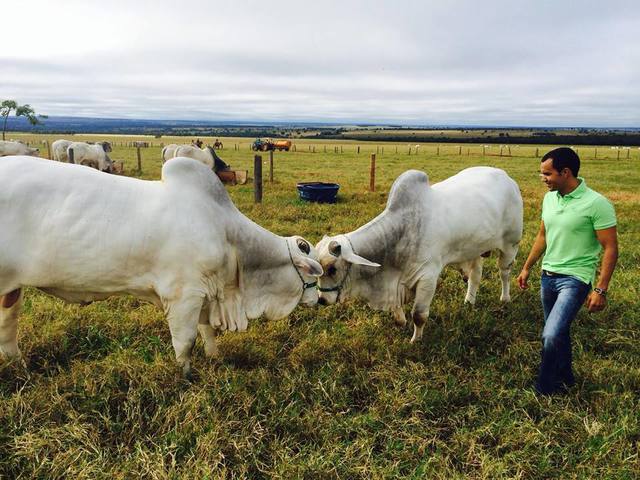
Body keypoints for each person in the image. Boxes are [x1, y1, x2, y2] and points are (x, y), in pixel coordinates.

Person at [517, 147, 618, 395]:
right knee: (559, 331)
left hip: (575, 279)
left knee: (550, 335)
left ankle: (544, 387)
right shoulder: (549, 198)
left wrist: (600, 289)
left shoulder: (597, 204)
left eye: (547, 174)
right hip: (547, 276)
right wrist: (527, 267)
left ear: (565, 172)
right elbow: (543, 235)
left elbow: (611, 249)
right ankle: (567, 378)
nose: (543, 179)